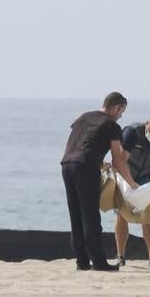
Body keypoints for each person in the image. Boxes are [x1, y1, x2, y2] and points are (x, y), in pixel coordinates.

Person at [60, 92, 138, 272]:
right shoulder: (111, 125)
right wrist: (132, 183)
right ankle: (99, 262)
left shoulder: (83, 117)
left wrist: (98, 161)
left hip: (67, 165)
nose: (120, 116)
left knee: (76, 215)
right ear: (117, 107)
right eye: (121, 112)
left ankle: (82, 261)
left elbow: (80, 144)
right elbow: (118, 160)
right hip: (85, 169)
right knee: (90, 217)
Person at [114, 113, 150, 270]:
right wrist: (130, 182)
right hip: (125, 177)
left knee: (148, 216)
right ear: (147, 124)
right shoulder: (132, 132)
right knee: (122, 215)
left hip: (145, 179)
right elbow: (120, 160)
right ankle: (120, 256)